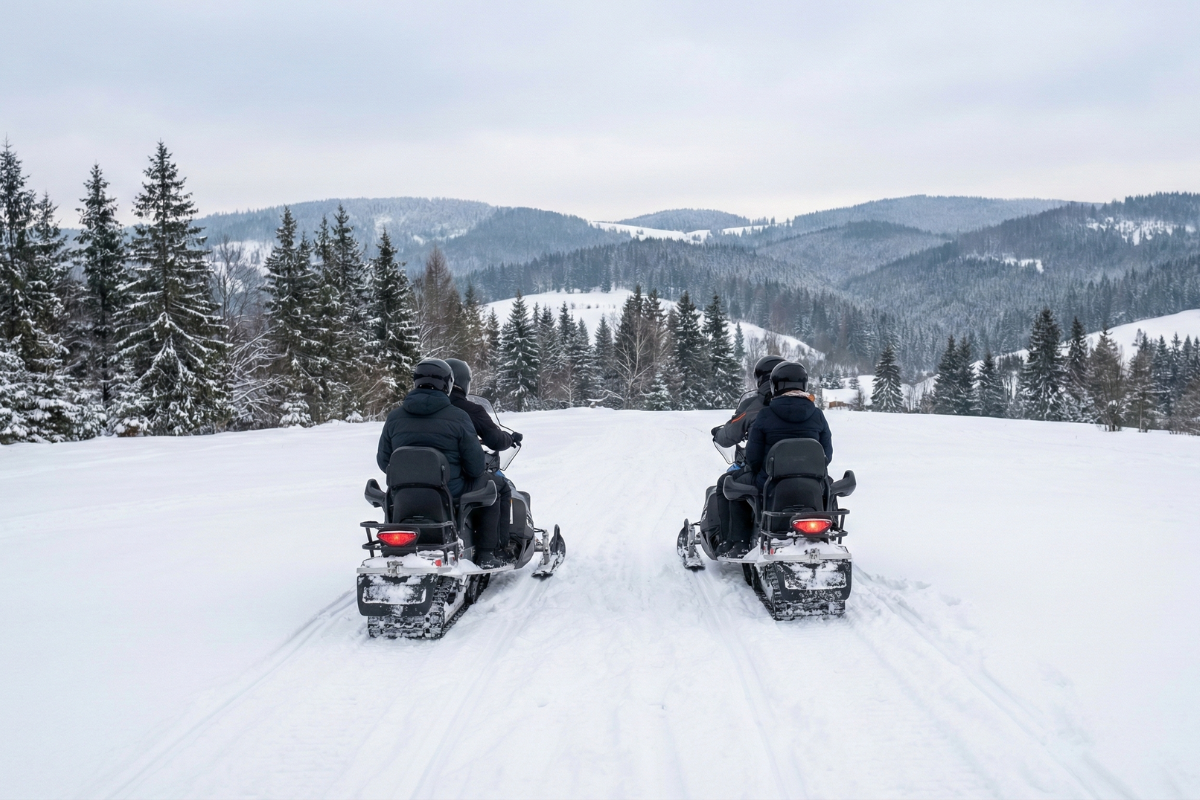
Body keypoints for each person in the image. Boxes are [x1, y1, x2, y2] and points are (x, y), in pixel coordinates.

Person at [376, 359, 501, 569]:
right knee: (497, 486)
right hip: (449, 492)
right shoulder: (459, 417)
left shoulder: (394, 417)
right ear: (448, 384)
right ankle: (487, 553)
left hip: (404, 494)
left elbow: (384, 462)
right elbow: (476, 467)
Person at [445, 358, 523, 561]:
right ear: (464, 382)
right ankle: (494, 549)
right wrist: (510, 439)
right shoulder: (467, 410)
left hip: (415, 481)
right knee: (498, 487)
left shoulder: (407, 414)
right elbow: (495, 440)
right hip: (456, 480)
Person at [707, 355, 784, 555]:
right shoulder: (809, 407)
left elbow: (730, 435)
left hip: (766, 474)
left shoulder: (754, 406)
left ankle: (733, 541)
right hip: (805, 473)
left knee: (728, 483)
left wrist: (719, 434)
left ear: (761, 378)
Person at [745, 360, 833, 490]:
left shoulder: (765, 415)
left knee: (725, 484)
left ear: (774, 386)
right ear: (804, 385)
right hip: (812, 483)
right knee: (830, 490)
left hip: (770, 484)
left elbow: (753, 458)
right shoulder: (817, 415)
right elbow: (826, 455)